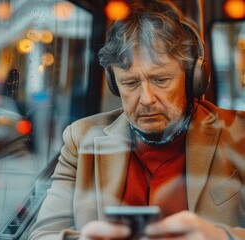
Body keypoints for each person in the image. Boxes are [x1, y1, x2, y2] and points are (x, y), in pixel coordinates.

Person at [29, 0, 245, 239]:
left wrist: (220, 237)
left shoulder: (239, 136)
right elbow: (43, 235)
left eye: (160, 80)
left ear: (192, 78)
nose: (147, 99)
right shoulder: (79, 140)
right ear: (114, 84)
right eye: (130, 84)